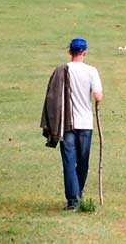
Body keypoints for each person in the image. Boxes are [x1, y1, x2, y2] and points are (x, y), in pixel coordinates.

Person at [42, 37, 103, 210]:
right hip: (85, 124)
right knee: (83, 161)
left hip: (66, 124)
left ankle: (73, 200)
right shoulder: (91, 71)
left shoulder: (62, 70)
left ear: (70, 52)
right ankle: (79, 192)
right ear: (84, 53)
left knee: (69, 161)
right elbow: (98, 96)